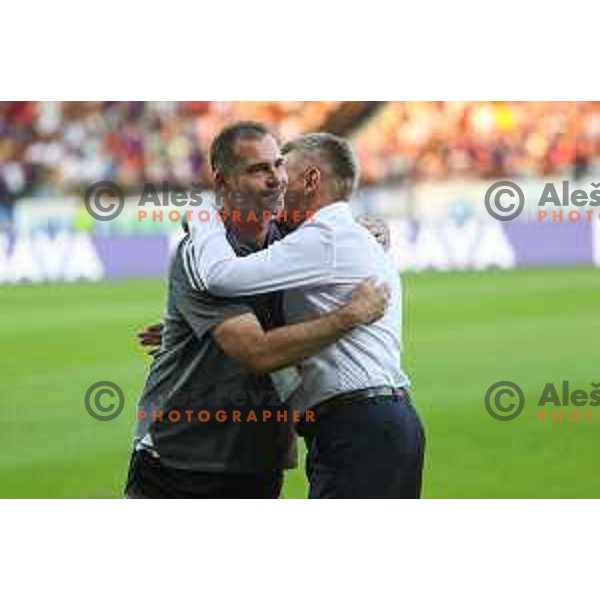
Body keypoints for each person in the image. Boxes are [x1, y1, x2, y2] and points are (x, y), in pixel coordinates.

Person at [125, 122, 390, 499]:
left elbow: (339, 237)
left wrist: (371, 230)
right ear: (223, 182)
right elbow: (256, 351)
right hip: (182, 460)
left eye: (279, 165)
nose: (277, 179)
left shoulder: (295, 243)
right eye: (257, 170)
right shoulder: (200, 256)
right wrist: (349, 316)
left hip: (260, 460)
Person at [188, 132, 425, 499]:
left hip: (360, 426)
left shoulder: (325, 237)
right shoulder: (337, 234)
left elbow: (221, 277)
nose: (278, 180)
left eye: (285, 168)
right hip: (371, 423)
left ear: (311, 179)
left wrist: (203, 219)